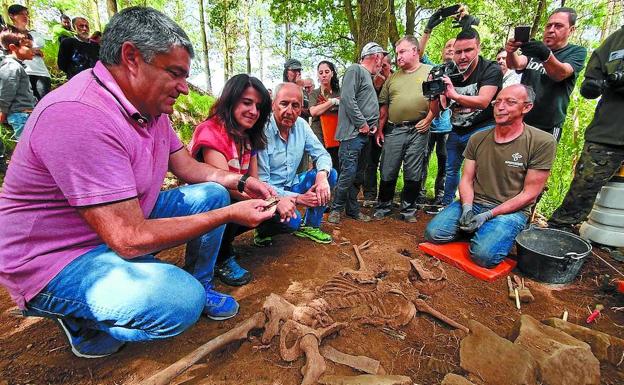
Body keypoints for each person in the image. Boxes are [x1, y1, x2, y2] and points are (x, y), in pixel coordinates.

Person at [0, 7, 276, 358]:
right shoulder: (78, 114)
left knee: (211, 194)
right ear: (131, 57)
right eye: (175, 74)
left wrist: (239, 182)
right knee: (180, 302)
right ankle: (80, 318)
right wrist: (229, 214)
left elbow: (189, 169)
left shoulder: (150, 109)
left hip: (112, 226)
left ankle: (199, 282)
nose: (184, 89)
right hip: (58, 257)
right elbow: (129, 239)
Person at [425, 84, 556, 268]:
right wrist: (467, 208)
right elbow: (466, 179)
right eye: (497, 102)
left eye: (510, 102)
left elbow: (530, 194)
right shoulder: (478, 138)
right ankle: (479, 228)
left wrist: (489, 215)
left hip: (511, 210)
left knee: (483, 256)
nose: (501, 107)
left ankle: (499, 231)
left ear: (526, 107)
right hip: (476, 202)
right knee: (434, 234)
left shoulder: (542, 141)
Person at [190, 74, 286, 287]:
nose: (253, 111)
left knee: (276, 213)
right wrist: (268, 200)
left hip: (236, 196)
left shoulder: (249, 136)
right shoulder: (211, 130)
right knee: (221, 196)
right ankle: (220, 256)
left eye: (258, 106)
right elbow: (222, 182)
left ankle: (224, 243)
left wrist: (273, 200)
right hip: (210, 205)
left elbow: (254, 180)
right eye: (247, 102)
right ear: (230, 99)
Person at [548, 26, 624, 232]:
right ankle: (557, 234)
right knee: (583, 188)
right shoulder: (615, 40)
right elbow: (590, 82)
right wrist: (593, 85)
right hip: (609, 132)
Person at [257, 82, 337, 245]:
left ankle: (310, 226)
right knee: (292, 222)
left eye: (295, 106)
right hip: (267, 195)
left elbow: (322, 154)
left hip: (291, 185)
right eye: (284, 104)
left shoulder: (301, 126)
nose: (289, 111)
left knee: (329, 174)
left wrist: (321, 177)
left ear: (301, 109)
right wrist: (299, 198)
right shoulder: (262, 131)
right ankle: (262, 229)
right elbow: (261, 185)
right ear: (273, 105)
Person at [373, 35, 435, 222]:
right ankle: (383, 206)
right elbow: (384, 106)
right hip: (394, 129)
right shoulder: (392, 79)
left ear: (415, 51)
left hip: (418, 129)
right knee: (388, 168)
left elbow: (438, 99)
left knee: (413, 171)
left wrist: (430, 119)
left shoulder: (430, 72)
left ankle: (408, 210)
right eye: (397, 53)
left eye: (402, 52)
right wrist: (380, 129)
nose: (398, 57)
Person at [439, 28, 502, 207]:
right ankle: (446, 205)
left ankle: (479, 206)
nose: (463, 56)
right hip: (456, 128)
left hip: (482, 127)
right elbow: (442, 107)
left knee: (478, 171)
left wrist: (455, 95)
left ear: (478, 48)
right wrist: (438, 93)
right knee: (451, 169)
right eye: (458, 52)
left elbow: (483, 101)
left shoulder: (490, 69)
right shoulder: (450, 71)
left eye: (468, 50)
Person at [505, 7, 587, 141]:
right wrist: (510, 51)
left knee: (540, 162)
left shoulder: (576, 52)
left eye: (558, 26)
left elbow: (560, 73)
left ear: (571, 30)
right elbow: (516, 64)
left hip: (548, 126)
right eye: (549, 26)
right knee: (512, 160)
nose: (551, 30)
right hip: (522, 119)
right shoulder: (536, 48)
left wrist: (545, 55)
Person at [328, 42, 387, 224]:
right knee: (348, 172)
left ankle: (352, 210)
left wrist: (373, 125)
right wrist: (362, 123)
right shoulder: (355, 69)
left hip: (365, 135)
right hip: (352, 134)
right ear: (376, 56)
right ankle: (336, 210)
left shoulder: (367, 77)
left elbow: (364, 103)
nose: (381, 64)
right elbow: (347, 98)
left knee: (358, 175)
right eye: (381, 59)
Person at [362, 54, 394, 207]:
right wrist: (376, 86)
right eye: (380, 66)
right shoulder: (369, 81)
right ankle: (369, 195)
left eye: (385, 66)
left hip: (393, 127)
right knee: (370, 162)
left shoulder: (395, 80)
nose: (381, 69)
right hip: (374, 127)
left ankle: (386, 197)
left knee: (388, 163)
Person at [7, 4, 52, 100]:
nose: (25, 17)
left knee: (43, 103)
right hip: (22, 72)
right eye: (21, 14)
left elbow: (39, 46)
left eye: (26, 14)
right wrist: (31, 50)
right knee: (26, 105)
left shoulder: (34, 33)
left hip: (41, 72)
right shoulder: (8, 34)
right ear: (11, 15)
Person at [0, 26, 36, 140]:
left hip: (26, 113)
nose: (33, 50)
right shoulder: (11, 66)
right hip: (20, 115)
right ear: (13, 47)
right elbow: (6, 90)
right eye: (28, 46)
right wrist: (2, 110)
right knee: (25, 144)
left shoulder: (18, 66)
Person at [309, 60, 341, 169]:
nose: (324, 75)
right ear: (318, 75)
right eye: (321, 72)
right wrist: (331, 102)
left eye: (326, 72)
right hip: (319, 134)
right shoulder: (314, 93)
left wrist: (324, 106)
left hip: (336, 134)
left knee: (336, 164)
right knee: (320, 163)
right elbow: (313, 111)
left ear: (332, 73)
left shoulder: (340, 91)